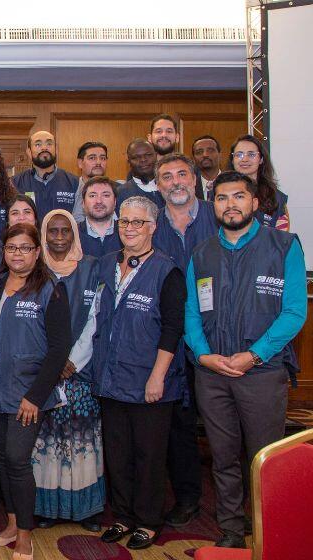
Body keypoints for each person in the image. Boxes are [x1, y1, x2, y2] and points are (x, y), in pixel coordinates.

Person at [186, 171, 306, 548]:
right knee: (222, 458)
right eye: (222, 198)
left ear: (255, 202)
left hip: (263, 373)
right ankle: (233, 531)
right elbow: (191, 312)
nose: (230, 204)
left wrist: (253, 356)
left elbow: (294, 312)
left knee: (263, 459)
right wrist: (204, 356)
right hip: (213, 373)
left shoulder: (284, 245)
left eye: (239, 196)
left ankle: (269, 532)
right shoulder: (202, 252)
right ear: (213, 205)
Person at [93, 196, 187, 550]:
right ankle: (123, 515)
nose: (129, 229)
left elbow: (173, 328)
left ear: (152, 228)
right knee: (117, 452)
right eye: (125, 222)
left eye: (137, 223)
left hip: (149, 379)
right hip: (110, 377)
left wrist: (158, 376)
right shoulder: (106, 265)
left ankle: (147, 520)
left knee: (149, 454)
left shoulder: (167, 270)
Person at [0, 222, 71, 560]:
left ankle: (26, 535)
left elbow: (60, 349)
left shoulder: (51, 289)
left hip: (29, 393)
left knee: (17, 460)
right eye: (12, 247)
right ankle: (12, 523)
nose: (18, 254)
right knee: (3, 458)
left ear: (37, 251)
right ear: (4, 252)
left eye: (25, 248)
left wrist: (35, 395)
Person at [151, 153, 218, 528]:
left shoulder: (216, 214)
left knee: (222, 423)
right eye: (166, 177)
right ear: (158, 185)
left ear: (194, 179)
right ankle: (189, 497)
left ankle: (244, 502)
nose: (175, 182)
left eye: (181, 174)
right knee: (177, 423)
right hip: (169, 340)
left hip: (216, 335)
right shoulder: (152, 224)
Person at [32, 209, 105, 533]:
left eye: (65, 231)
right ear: (43, 235)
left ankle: (85, 510)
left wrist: (72, 359)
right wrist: (52, 362)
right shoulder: (33, 270)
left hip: (80, 370)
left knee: (82, 440)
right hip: (43, 371)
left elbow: (95, 320)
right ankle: (47, 507)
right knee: (45, 441)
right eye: (53, 231)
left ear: (74, 235)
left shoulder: (91, 268)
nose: (59, 237)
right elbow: (29, 323)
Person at [228, 134, 289, 231]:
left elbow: (281, 238)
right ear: (232, 160)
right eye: (239, 154)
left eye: (251, 154)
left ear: (261, 159)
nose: (244, 159)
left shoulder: (276, 197)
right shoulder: (219, 193)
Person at [13, 131, 79, 215]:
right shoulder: (15, 183)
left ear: (56, 149)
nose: (44, 148)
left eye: (49, 144)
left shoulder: (75, 183)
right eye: (38, 145)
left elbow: (78, 220)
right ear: (29, 152)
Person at [76, 177, 121, 258]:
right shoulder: (73, 235)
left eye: (106, 195)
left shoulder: (127, 234)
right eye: (92, 195)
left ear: (115, 202)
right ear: (83, 203)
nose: (99, 201)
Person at [117, 139, 163, 208]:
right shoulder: (120, 193)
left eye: (148, 155)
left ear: (156, 156)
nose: (143, 160)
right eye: (136, 157)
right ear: (129, 161)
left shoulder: (169, 187)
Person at [71, 142, 108, 223]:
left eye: (103, 158)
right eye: (92, 158)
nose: (98, 162)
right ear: (80, 163)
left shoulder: (116, 190)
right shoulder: (71, 190)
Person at [192, 135, 222, 201]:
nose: (205, 155)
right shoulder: (190, 186)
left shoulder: (232, 182)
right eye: (199, 152)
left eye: (210, 150)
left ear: (220, 155)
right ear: (193, 159)